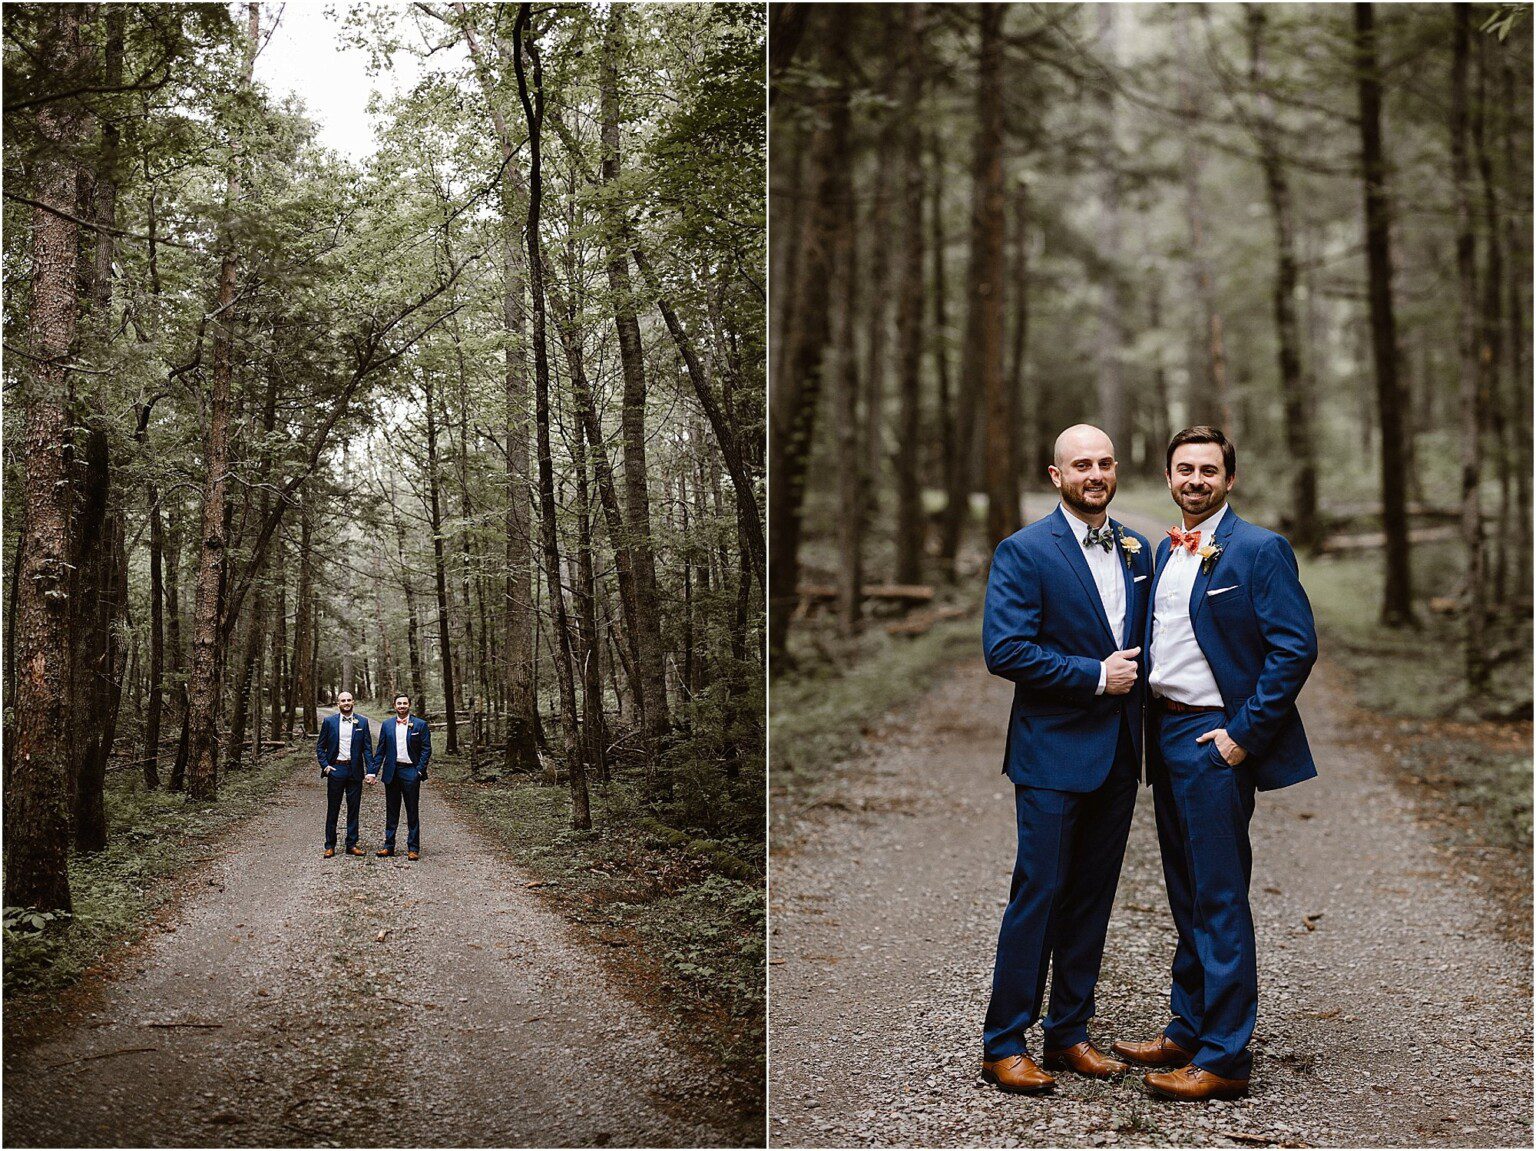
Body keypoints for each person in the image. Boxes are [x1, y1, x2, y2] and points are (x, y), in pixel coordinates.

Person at [1113, 426, 1318, 1102]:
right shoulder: (1161, 550)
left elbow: (1294, 647)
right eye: (1184, 468)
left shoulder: (1259, 549)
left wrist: (1242, 735)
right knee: (1186, 892)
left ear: (1230, 478)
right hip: (1163, 736)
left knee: (1220, 896)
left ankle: (1225, 1056)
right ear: (1168, 477)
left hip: (1213, 739)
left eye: (1208, 469)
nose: (1195, 478)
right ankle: (1189, 1025)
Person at [979, 424, 1153, 1094]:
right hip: (1051, 752)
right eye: (1082, 463)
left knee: (1092, 898)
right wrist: (1091, 675)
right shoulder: (1024, 551)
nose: (1096, 473)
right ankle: (1004, 1042)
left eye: (1105, 463)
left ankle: (1069, 1033)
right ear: (1056, 475)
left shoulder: (1137, 551)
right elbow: (1006, 649)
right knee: (1040, 894)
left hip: (1119, 753)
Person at [368, 693, 431, 861]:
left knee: (412, 811)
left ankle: (413, 848)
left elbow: (426, 749)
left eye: (404, 703)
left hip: (411, 771)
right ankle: (389, 846)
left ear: (409, 705)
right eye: (399, 703)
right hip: (392, 772)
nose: (402, 706)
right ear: (394, 705)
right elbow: (380, 750)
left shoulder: (420, 724)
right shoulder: (387, 725)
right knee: (392, 811)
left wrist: (419, 771)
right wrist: (373, 772)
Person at [315, 691, 373, 858]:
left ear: (353, 701)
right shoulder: (329, 722)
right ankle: (330, 845)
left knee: (353, 809)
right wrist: (325, 766)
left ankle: (351, 844)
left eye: (349, 700)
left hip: (355, 771)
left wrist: (370, 771)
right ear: (337, 703)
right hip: (336, 769)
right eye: (343, 700)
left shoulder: (362, 722)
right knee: (333, 808)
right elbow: (320, 747)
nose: (346, 703)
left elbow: (367, 749)